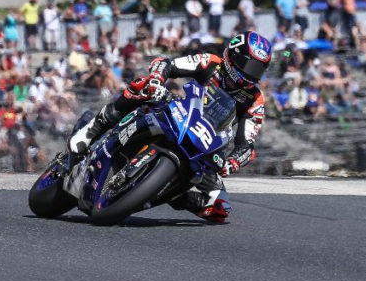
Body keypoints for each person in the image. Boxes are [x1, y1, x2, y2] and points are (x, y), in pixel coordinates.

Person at [68, 31, 272, 223]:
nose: (252, 74)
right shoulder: (211, 63)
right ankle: (94, 127)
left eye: (258, 69)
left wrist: (233, 163)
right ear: (233, 56)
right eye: (249, 66)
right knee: (144, 86)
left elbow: (247, 143)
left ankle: (168, 193)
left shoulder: (255, 100)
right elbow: (167, 64)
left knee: (220, 208)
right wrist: (157, 79)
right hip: (177, 112)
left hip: (206, 146)